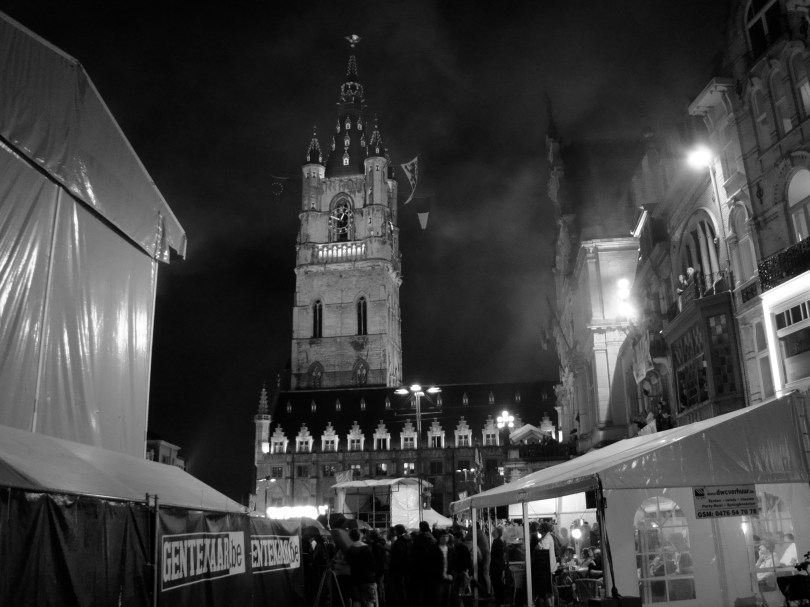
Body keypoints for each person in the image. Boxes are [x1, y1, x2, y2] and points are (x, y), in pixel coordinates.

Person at [346, 529, 378, 607]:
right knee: (369, 600)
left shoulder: (350, 549)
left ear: (350, 537)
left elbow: (348, 563)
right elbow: (372, 563)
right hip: (367, 578)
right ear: (359, 536)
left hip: (354, 577)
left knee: (356, 600)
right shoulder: (366, 548)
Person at [411, 521, 437, 607]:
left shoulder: (419, 539)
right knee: (430, 591)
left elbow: (414, 554)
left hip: (420, 569)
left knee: (420, 592)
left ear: (420, 528)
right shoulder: (433, 539)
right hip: (431, 569)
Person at [429, 530, 456, 607]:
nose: (445, 538)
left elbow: (454, 564)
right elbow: (432, 564)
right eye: (443, 536)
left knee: (447, 599)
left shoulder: (451, 550)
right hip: (437, 578)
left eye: (447, 536)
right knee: (438, 599)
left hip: (448, 578)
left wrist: (452, 575)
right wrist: (440, 574)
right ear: (439, 538)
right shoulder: (434, 549)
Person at [389, 525, 411, 607]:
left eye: (395, 530)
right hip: (408, 569)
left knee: (401, 590)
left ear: (398, 531)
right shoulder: (410, 540)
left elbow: (395, 558)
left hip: (399, 570)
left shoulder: (398, 543)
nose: (393, 532)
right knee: (407, 589)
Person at [490, 526, 507, 606]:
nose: (493, 532)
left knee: (497, 583)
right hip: (497, 565)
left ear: (498, 533)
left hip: (497, 566)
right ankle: (499, 599)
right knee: (496, 583)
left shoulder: (498, 542)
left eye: (495, 531)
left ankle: (500, 600)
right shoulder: (497, 541)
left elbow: (499, 555)